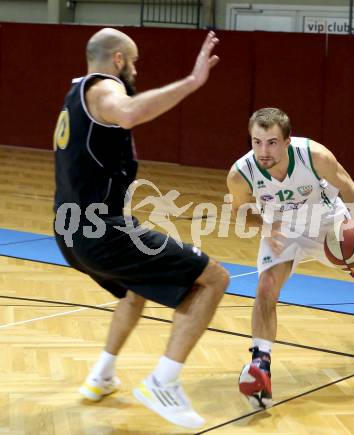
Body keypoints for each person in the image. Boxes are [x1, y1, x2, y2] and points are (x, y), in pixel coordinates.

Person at [53, 28, 229, 430]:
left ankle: (101, 376)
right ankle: (162, 383)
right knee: (213, 279)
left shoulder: (73, 94)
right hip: (99, 231)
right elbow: (129, 111)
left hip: (69, 231)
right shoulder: (103, 91)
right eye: (133, 62)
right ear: (118, 60)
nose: (135, 70)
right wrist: (192, 82)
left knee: (137, 287)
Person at [227, 107, 354, 410]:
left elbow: (350, 189)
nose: (263, 151)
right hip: (282, 230)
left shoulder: (314, 155)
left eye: (272, 142)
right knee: (266, 288)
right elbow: (238, 212)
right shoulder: (242, 173)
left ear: (287, 140)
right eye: (257, 142)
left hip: (328, 222)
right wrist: (267, 224)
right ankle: (260, 364)